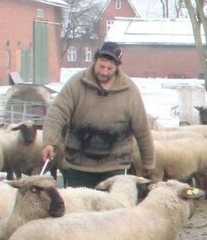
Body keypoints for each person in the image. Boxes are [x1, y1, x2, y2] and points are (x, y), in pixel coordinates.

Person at [41, 41, 155, 188]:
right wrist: (49, 141)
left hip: (115, 165)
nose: (104, 72)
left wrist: (148, 160)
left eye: (110, 68)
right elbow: (57, 113)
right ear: (95, 61)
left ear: (117, 67)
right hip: (79, 164)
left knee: (114, 209)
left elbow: (142, 127)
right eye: (101, 66)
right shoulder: (77, 83)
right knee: (80, 209)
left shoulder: (129, 90)